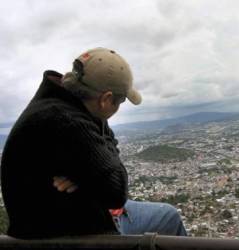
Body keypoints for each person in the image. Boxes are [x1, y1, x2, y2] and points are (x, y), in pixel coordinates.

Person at [0, 47, 187, 239]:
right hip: (66, 232)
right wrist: (93, 169)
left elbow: (109, 144)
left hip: (69, 213)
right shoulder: (67, 121)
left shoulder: (63, 103)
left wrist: (83, 175)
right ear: (106, 100)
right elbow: (116, 191)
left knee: (167, 214)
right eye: (120, 101)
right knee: (169, 218)